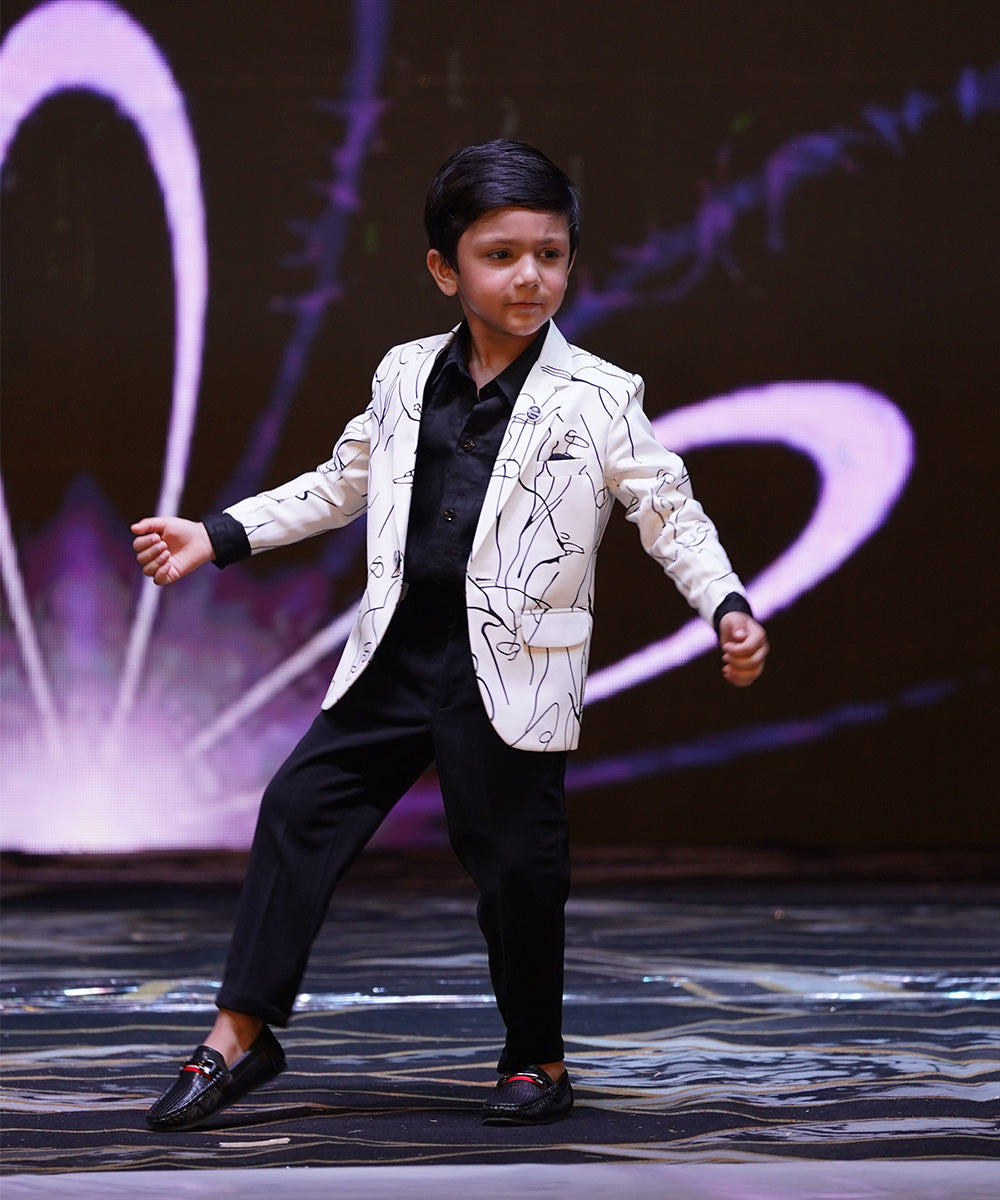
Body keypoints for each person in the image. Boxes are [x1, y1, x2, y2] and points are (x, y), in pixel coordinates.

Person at [133, 139, 769, 1131]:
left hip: (509, 669)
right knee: (300, 807)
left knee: (518, 868)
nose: (530, 276)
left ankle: (536, 1061)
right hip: (396, 652)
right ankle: (240, 1034)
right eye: (501, 254)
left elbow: (669, 514)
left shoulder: (599, 396)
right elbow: (343, 483)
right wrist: (217, 535)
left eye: (550, 254)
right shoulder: (401, 376)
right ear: (445, 268)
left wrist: (725, 605)